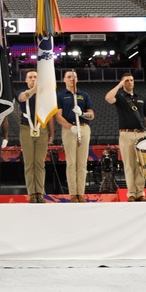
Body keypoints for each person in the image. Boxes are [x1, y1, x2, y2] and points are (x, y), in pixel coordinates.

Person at [104, 73, 146, 202]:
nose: (130, 82)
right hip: (126, 134)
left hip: (141, 134)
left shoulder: (141, 98)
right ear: (123, 82)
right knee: (129, 165)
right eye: (127, 80)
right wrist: (119, 84)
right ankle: (131, 193)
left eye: (131, 80)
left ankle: (140, 193)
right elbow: (108, 98)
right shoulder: (119, 97)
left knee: (142, 165)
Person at [55, 70, 95, 202]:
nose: (71, 79)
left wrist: (82, 113)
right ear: (64, 80)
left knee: (82, 163)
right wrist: (69, 127)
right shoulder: (61, 96)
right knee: (71, 163)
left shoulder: (84, 95)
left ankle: (81, 193)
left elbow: (91, 115)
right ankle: (73, 194)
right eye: (68, 77)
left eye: (74, 77)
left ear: (77, 79)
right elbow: (58, 116)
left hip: (83, 128)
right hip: (69, 129)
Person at [17, 71, 55, 203]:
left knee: (40, 163)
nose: (33, 79)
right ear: (26, 81)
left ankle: (40, 192)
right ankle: (31, 193)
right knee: (29, 163)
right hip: (26, 129)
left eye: (35, 77)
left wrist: (52, 134)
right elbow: (22, 98)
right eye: (30, 78)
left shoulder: (45, 95)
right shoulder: (22, 92)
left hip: (42, 129)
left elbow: (50, 116)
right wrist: (35, 88)